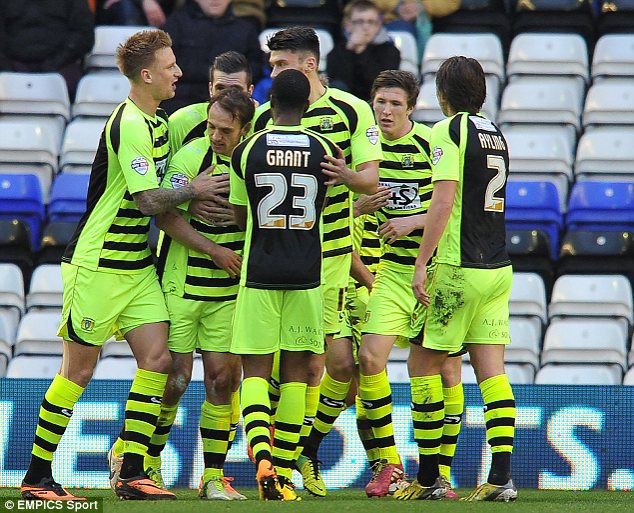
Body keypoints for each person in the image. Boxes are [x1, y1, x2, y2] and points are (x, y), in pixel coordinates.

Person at [19, 29, 222, 501]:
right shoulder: (130, 122)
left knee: (160, 359)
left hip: (136, 266)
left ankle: (132, 469)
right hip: (98, 265)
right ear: (147, 74)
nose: (179, 72)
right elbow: (148, 198)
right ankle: (36, 477)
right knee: (78, 372)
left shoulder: (157, 121)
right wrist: (195, 189)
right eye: (171, 66)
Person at [251, 26, 381, 495]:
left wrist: (345, 175)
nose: (273, 73)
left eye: (280, 65)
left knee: (323, 366)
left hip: (330, 258)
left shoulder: (352, 109)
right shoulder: (268, 116)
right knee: (286, 365)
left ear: (308, 65)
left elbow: (371, 178)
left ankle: (298, 455)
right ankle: (277, 462)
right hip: (277, 257)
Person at [395, 56, 517, 502]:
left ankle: (429, 478)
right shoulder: (495, 132)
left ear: (441, 93)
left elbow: (444, 201)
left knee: (422, 364)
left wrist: (420, 261)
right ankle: (501, 478)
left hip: (458, 267)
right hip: (497, 267)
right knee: (492, 374)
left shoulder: (449, 131)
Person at [128, 88, 254, 500]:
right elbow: (164, 218)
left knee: (223, 380)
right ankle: (148, 464)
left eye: (225, 130)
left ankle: (213, 477)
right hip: (183, 287)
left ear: (245, 129)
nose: (216, 136)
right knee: (174, 380)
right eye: (212, 127)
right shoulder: (190, 158)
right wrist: (215, 249)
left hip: (229, 292)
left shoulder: (254, 160)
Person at [229, 69, 337, 501]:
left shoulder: (247, 149)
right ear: (308, 104)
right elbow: (323, 204)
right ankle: (286, 474)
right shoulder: (324, 149)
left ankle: (263, 463)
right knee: (296, 377)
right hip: (308, 275)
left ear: (270, 104)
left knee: (254, 372)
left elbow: (241, 217)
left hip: (259, 272)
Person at [162, 0, 262, 113]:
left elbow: (256, 66)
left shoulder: (246, 29)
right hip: (178, 102)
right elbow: (165, 64)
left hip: (233, 106)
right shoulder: (176, 23)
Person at [0, 0, 95, 100]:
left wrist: (57, 62)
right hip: (11, 65)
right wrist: (8, 67)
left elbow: (84, 34)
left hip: (61, 65)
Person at [168, 51, 255, 154]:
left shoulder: (262, 121)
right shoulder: (182, 122)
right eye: (220, 88)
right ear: (210, 89)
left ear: (250, 91)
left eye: (235, 90)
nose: (227, 96)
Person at [326, 0, 401, 101]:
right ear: (348, 25)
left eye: (371, 22)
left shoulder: (390, 51)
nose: (365, 27)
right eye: (359, 22)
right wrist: (350, 49)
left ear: (378, 25)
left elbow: (378, 84)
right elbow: (338, 85)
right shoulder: (337, 51)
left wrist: (361, 51)